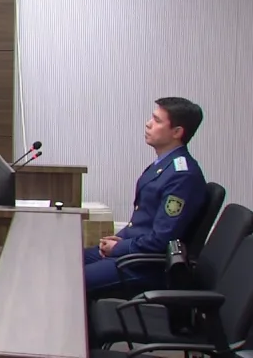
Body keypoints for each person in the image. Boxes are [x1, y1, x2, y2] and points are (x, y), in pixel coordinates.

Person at [84, 97, 207, 296]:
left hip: (146, 267)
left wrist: (119, 248)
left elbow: (162, 240)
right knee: (69, 262)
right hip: (134, 254)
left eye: (157, 121)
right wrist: (119, 239)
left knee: (72, 280)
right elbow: (142, 221)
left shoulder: (182, 176)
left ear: (177, 132)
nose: (148, 124)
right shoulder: (163, 164)